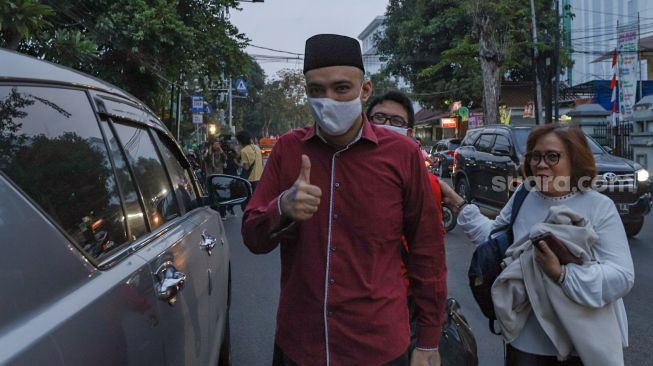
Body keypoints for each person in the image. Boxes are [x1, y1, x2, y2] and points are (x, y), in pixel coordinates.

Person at [241, 34, 446, 366]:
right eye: (316, 91)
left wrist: (428, 340)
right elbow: (252, 236)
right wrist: (282, 208)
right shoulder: (288, 150)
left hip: (379, 345)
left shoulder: (403, 154)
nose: (328, 100)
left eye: (341, 88)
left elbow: (428, 251)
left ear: (365, 90)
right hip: (300, 345)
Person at [441, 124, 634, 366]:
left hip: (582, 344)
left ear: (575, 160)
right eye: (535, 156)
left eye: (553, 156)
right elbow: (497, 242)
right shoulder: (524, 195)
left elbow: (622, 275)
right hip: (526, 342)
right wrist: (458, 204)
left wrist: (563, 275)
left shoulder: (599, 206)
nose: (541, 164)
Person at [367, 90, 447, 352]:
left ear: (410, 132)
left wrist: (429, 338)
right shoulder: (344, 170)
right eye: (380, 118)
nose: (387, 126)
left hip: (398, 299)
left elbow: (428, 254)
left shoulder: (427, 184)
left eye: (397, 122)